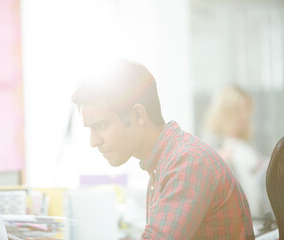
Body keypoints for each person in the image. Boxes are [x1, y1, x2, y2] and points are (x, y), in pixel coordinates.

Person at [72, 59, 254, 239]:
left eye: (101, 126)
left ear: (138, 115)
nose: (93, 141)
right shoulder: (163, 165)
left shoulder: (187, 161)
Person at [202, 85, 271, 219]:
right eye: (240, 110)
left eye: (247, 110)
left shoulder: (244, 147)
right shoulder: (214, 148)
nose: (246, 116)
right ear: (226, 112)